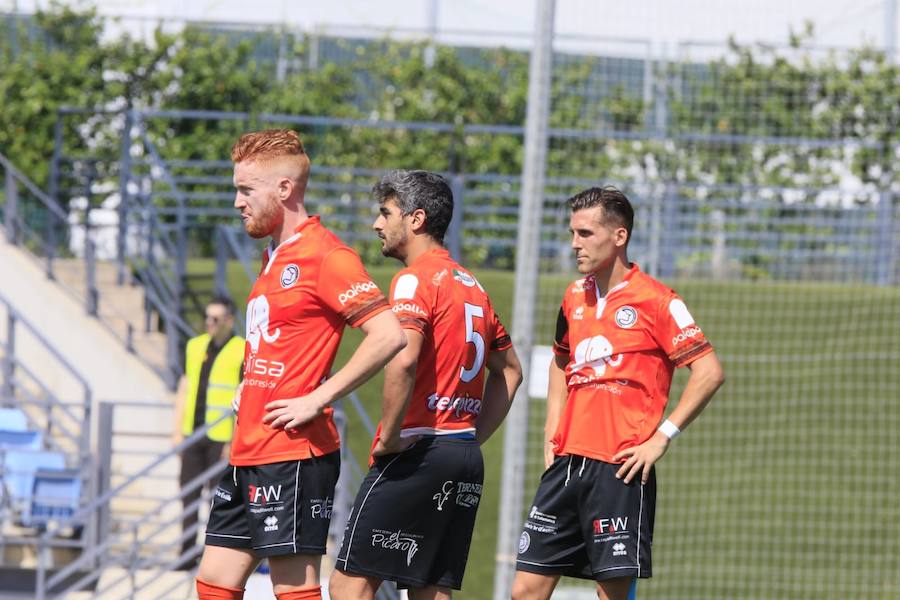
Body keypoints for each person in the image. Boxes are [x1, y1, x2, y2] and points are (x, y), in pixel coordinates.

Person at [194, 129, 407, 600]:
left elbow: (389, 334)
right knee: (213, 584)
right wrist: (248, 386)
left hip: (293, 453)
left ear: (284, 190)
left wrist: (317, 398)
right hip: (249, 448)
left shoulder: (326, 255)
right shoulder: (273, 257)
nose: (236, 201)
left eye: (246, 190)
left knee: (294, 589)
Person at [512, 187, 725, 600]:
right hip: (566, 464)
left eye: (586, 233)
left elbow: (709, 372)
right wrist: (551, 430)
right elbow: (561, 361)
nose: (575, 243)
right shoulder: (574, 296)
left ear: (619, 236)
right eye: (573, 232)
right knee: (525, 590)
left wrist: (661, 439)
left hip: (620, 469)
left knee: (610, 594)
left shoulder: (658, 300)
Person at [329, 170, 523, 600]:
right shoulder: (473, 286)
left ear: (415, 220)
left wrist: (391, 436)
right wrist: (469, 437)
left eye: (385, 213)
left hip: (416, 452)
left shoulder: (414, 279)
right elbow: (511, 371)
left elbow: (403, 358)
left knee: (349, 586)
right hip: (461, 457)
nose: (376, 224)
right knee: (430, 590)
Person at [172, 296, 245, 567]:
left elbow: (244, 398)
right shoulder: (194, 346)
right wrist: (176, 431)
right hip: (193, 431)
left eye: (215, 319)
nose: (209, 323)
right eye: (207, 317)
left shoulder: (241, 349)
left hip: (221, 436)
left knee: (219, 499)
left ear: (229, 321)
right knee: (187, 494)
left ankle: (212, 556)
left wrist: (234, 441)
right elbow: (184, 386)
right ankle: (186, 553)